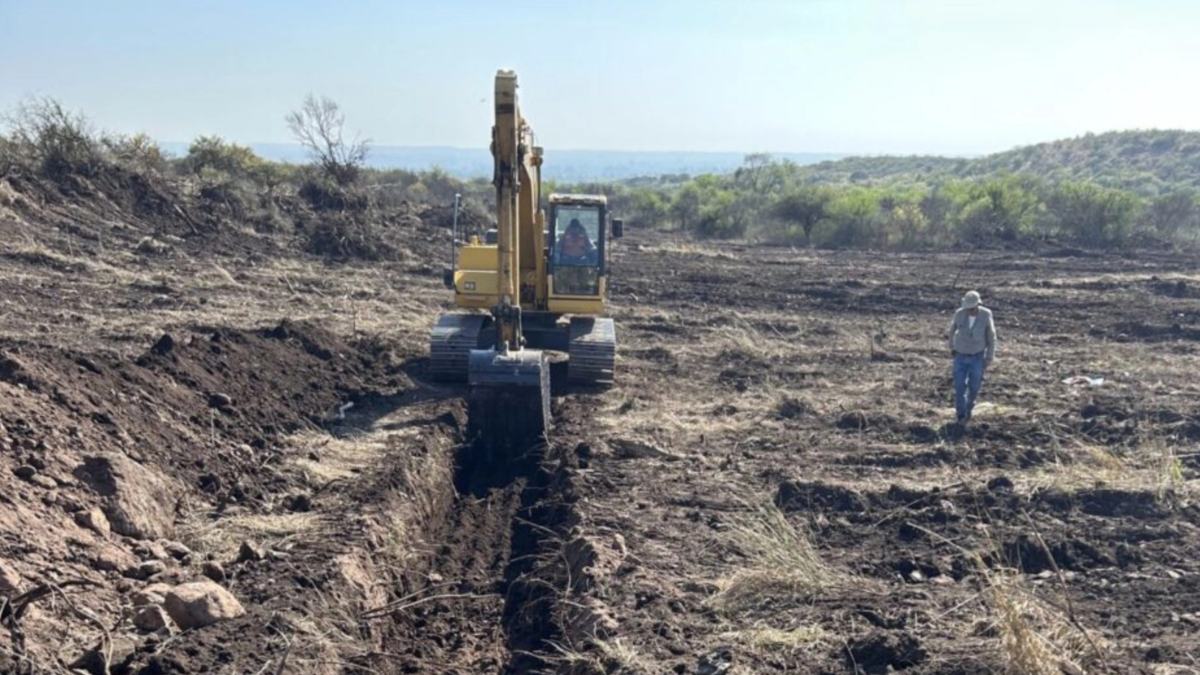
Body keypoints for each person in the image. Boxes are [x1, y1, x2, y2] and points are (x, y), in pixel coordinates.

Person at [947, 290, 996, 425]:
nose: (969, 311)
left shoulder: (986, 314)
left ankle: (969, 406)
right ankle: (961, 414)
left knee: (974, 386)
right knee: (959, 386)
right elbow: (951, 331)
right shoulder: (959, 314)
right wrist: (952, 347)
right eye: (967, 309)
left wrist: (989, 356)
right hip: (960, 355)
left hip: (977, 356)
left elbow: (991, 337)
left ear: (977, 305)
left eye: (972, 308)